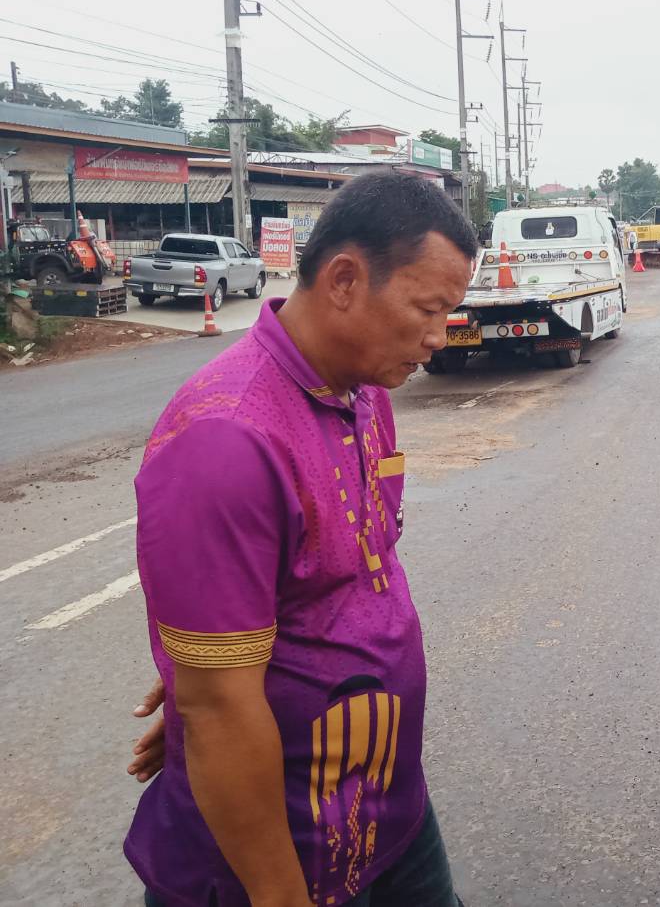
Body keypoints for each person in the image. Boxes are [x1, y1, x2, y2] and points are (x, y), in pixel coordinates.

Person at [124, 171, 477, 907]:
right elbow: (220, 709)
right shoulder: (227, 440)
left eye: (449, 312)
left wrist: (214, 667)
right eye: (428, 309)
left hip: (388, 808)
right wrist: (208, 698)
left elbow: (333, 570)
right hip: (281, 847)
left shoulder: (364, 390)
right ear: (345, 280)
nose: (439, 337)